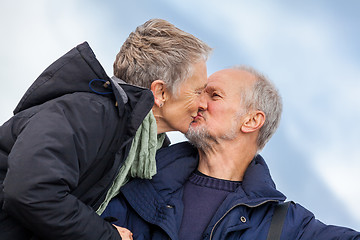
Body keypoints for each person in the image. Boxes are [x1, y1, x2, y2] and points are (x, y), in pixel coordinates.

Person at [0, 19, 211, 240]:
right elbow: (29, 191)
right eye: (198, 91)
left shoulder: (146, 149)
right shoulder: (89, 114)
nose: (204, 104)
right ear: (161, 93)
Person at [101, 66, 360, 239]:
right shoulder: (136, 173)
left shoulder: (286, 226)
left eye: (214, 96)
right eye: (200, 92)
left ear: (250, 121)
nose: (199, 102)